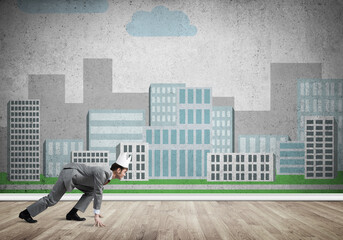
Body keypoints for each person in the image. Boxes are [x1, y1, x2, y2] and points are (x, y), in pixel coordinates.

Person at [19, 152, 131, 227]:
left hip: (79, 178)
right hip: (70, 174)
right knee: (52, 200)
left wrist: (97, 210)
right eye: (125, 172)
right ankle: (26, 213)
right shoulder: (104, 172)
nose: (125, 175)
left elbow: (97, 190)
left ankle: (72, 214)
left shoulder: (107, 175)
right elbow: (99, 192)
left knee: (90, 192)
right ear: (118, 170)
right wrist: (96, 214)